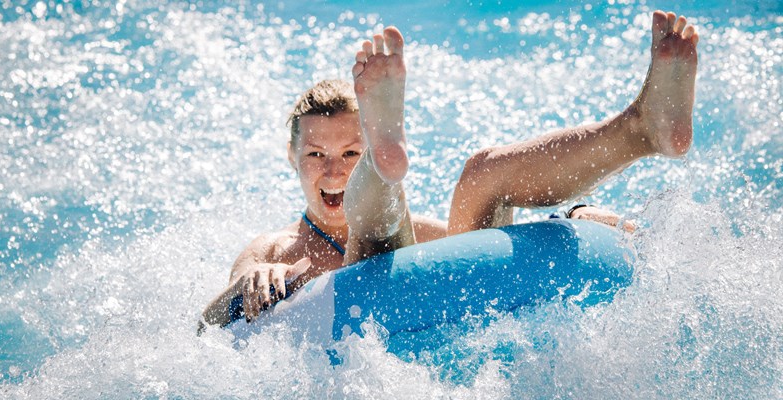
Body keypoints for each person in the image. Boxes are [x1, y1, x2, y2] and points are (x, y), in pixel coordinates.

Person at [200, 10, 698, 329]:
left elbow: (497, 240)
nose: (333, 170)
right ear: (292, 158)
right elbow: (207, 324)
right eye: (316, 155)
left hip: (443, 332)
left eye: (351, 154)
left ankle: (640, 128)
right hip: (356, 341)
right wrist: (247, 283)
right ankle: (382, 161)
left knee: (480, 174)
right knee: (377, 232)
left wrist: (578, 217)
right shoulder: (273, 249)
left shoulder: (424, 231)